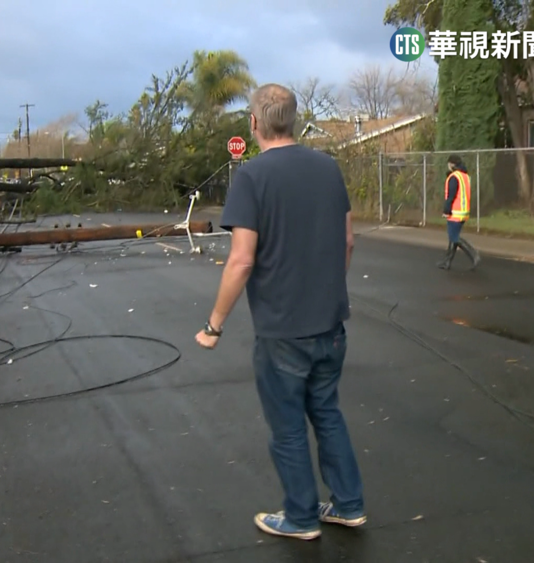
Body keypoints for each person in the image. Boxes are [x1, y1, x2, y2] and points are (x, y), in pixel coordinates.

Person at [194, 83, 366, 541]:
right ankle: (348, 505)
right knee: (327, 413)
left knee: (287, 427)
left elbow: (242, 259)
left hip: (283, 331)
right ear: (291, 119)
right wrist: (328, 288)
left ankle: (301, 517)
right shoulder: (328, 168)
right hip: (331, 326)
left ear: (254, 124)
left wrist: (214, 325)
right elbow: (347, 240)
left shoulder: (251, 177)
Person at [437, 155, 480, 270]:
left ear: (451, 164)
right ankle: (447, 262)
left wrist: (446, 210)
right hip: (463, 212)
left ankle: (474, 255)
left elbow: (451, 196)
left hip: (455, 212)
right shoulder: (465, 176)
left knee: (454, 237)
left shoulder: (454, 177)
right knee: (453, 238)